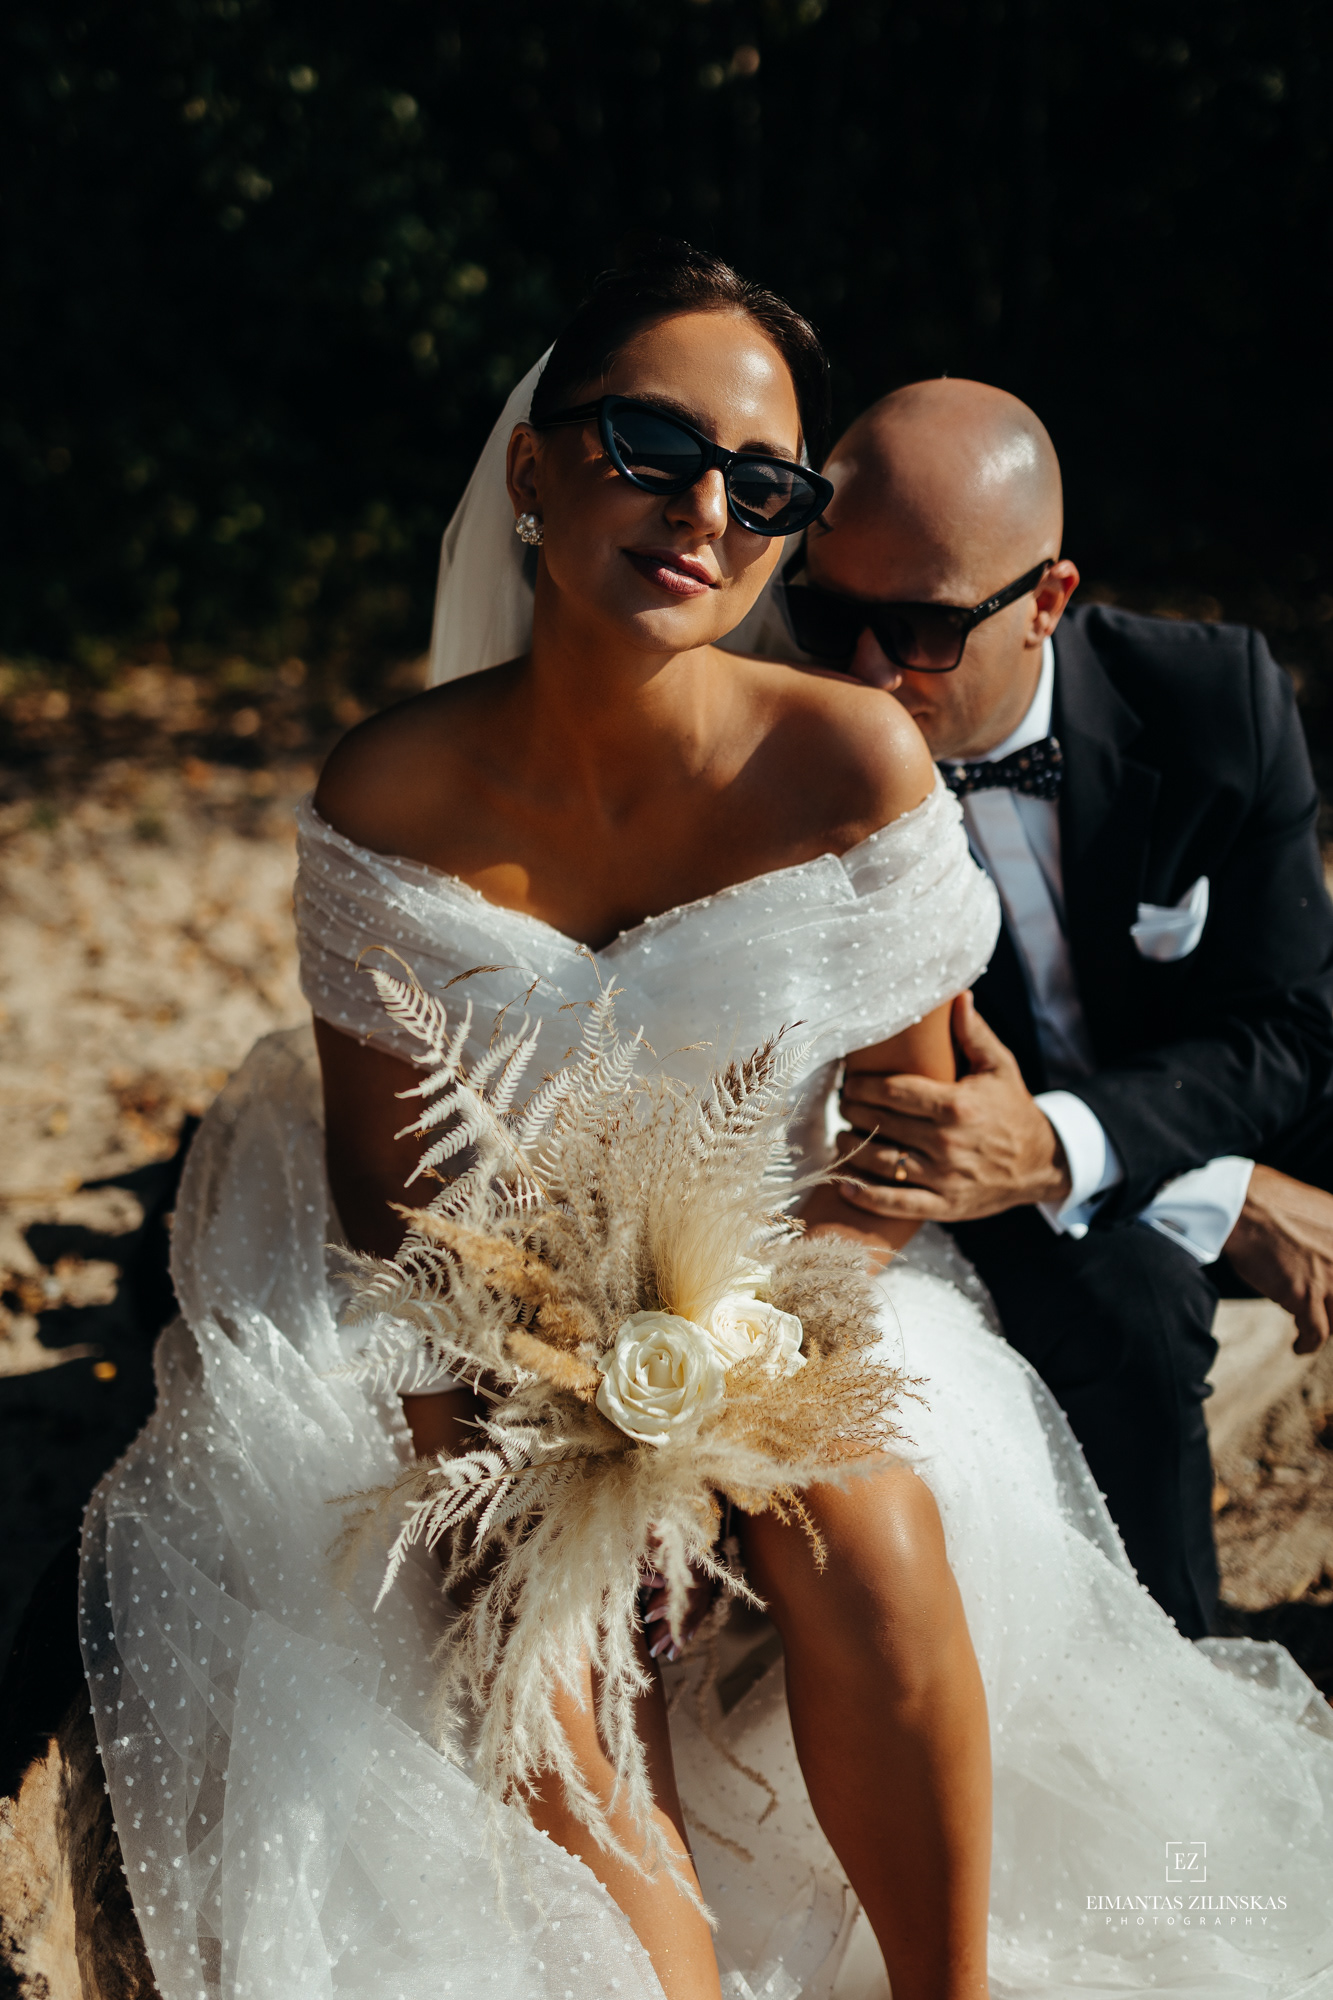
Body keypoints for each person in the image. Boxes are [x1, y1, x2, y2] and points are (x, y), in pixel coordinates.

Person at [78, 246, 1333, 2000]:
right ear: (533, 469)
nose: (704, 510)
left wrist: (727, 1353)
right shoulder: (390, 786)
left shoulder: (852, 763)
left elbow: (894, 1153)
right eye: (653, 445)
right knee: (513, 1584)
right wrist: (521, 1402)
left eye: (762, 485)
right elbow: (386, 1199)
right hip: (462, 1303)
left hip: (800, 1275)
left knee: (861, 1512)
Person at [732, 377, 1333, 1643]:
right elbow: (900, 1119)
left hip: (1181, 1096)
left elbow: (1286, 1027)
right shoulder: (791, 754)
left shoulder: (1214, 699)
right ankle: (1184, 1673)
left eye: (922, 628)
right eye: (828, 612)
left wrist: (1087, 1143)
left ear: (1047, 601)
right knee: (1129, 1305)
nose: (865, 668)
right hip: (953, 1174)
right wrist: (1218, 1197)